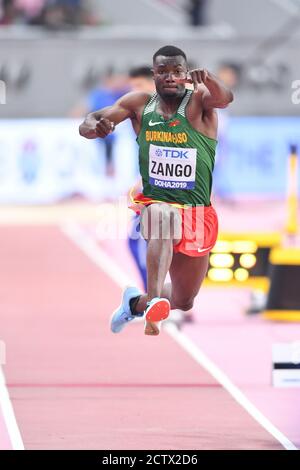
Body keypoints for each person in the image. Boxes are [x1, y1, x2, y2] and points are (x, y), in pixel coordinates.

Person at [79, 45, 233, 336]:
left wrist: (209, 79)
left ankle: (138, 303)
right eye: (163, 72)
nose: (170, 77)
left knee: (185, 300)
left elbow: (225, 99)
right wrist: (95, 127)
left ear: (185, 74)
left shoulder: (200, 102)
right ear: (155, 75)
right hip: (155, 203)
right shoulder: (139, 104)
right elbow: (90, 121)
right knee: (162, 215)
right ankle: (152, 308)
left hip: (198, 214)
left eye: (177, 71)